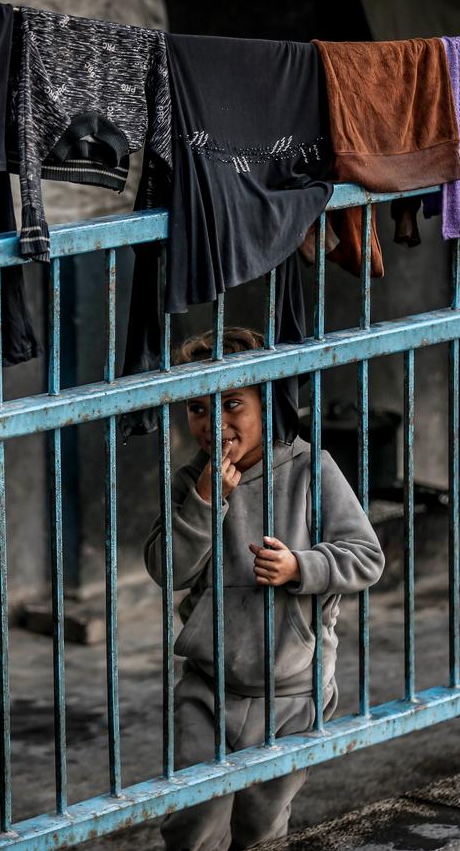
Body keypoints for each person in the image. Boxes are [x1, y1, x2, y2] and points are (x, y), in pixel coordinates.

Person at [144, 328, 385, 851]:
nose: (213, 423)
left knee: (262, 829)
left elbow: (367, 556)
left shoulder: (310, 469)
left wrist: (303, 566)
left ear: (268, 401)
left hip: (294, 691)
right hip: (208, 688)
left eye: (232, 404)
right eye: (197, 408)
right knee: (194, 827)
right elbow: (168, 569)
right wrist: (206, 502)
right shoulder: (193, 481)